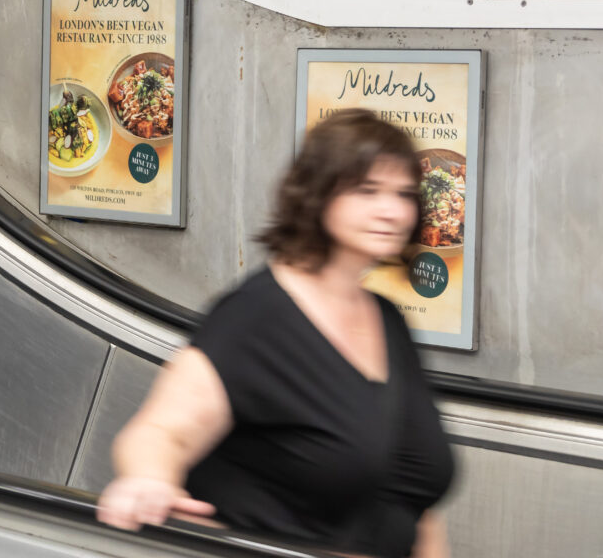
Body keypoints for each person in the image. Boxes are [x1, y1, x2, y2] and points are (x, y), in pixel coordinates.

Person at [98, 109, 455, 558]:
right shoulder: (258, 316)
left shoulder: (388, 321)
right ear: (318, 195)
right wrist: (148, 479)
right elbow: (159, 432)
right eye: (367, 190)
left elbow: (414, 502)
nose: (391, 210)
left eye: (403, 194)